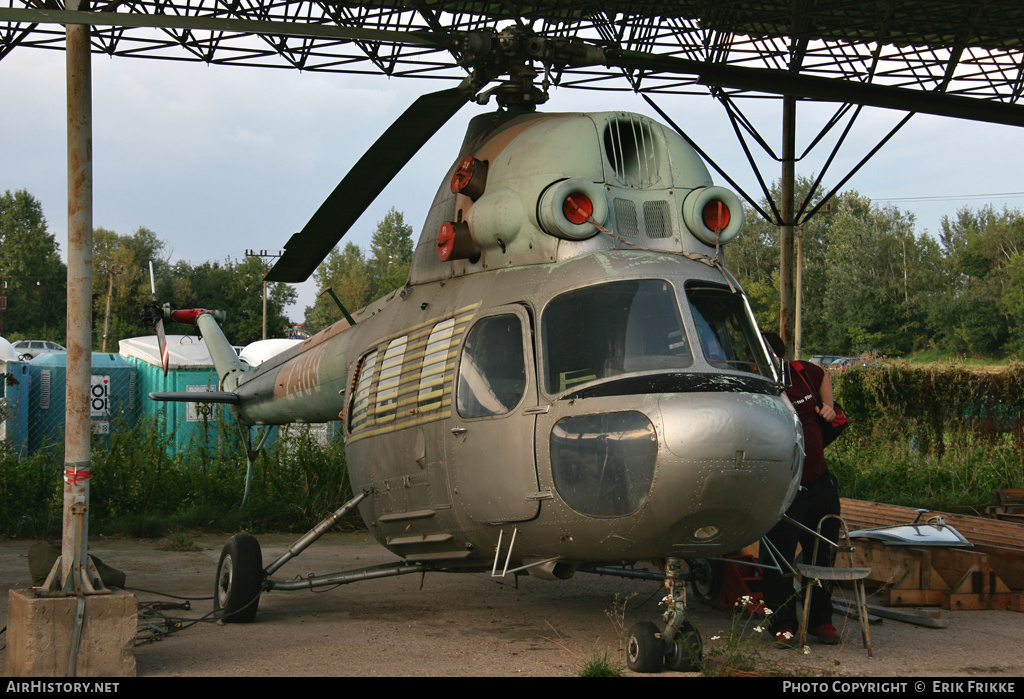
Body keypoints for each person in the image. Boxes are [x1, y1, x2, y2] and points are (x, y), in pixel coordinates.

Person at [760, 331, 842, 647]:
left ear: (782, 356)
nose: (769, 365)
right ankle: (783, 624)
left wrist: (828, 405)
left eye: (773, 359)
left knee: (821, 555)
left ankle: (821, 621)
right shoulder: (756, 383)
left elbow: (824, 375)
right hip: (783, 488)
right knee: (778, 559)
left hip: (819, 482)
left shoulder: (803, 372)